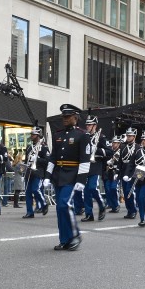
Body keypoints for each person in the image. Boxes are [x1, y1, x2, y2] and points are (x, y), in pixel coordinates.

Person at [45, 104, 89, 251]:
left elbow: (84, 159)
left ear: (75, 118)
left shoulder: (82, 135)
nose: (64, 119)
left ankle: (75, 235)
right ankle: (64, 239)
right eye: (63, 116)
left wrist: (82, 180)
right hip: (58, 175)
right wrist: (47, 176)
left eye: (67, 116)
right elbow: (53, 158)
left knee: (65, 204)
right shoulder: (58, 134)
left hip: (72, 175)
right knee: (59, 209)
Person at [81, 114, 111, 222]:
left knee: (92, 187)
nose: (87, 127)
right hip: (85, 166)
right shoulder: (84, 137)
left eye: (90, 125)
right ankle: (89, 214)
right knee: (86, 191)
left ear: (95, 126)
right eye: (87, 125)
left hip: (95, 166)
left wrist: (97, 150)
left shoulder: (101, 137)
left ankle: (101, 204)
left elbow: (109, 152)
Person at [127, 128, 145, 227]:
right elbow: (131, 164)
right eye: (142, 139)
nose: (143, 141)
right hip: (138, 175)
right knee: (139, 199)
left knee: (143, 197)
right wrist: (127, 175)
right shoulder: (137, 151)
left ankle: (144, 219)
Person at [22, 126, 50, 218]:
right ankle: (29, 212)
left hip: (38, 171)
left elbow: (47, 160)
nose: (32, 136)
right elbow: (26, 160)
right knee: (28, 192)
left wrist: (37, 159)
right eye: (31, 134)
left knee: (36, 189)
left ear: (38, 135)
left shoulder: (43, 147)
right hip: (29, 171)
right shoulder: (29, 147)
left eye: (33, 134)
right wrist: (24, 165)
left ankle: (44, 203)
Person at [118, 127, 138, 219]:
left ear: (134, 136)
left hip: (134, 170)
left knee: (130, 191)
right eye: (127, 136)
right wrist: (117, 171)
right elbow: (120, 161)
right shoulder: (123, 146)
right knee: (125, 193)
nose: (128, 137)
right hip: (124, 170)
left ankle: (133, 210)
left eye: (130, 136)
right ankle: (129, 210)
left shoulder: (138, 147)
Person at [103, 135, 122, 213]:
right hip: (109, 172)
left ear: (119, 144)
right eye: (113, 143)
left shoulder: (121, 152)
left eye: (116, 143)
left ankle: (116, 205)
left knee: (113, 188)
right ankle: (112, 205)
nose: (114, 144)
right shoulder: (110, 151)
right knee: (107, 188)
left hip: (116, 172)